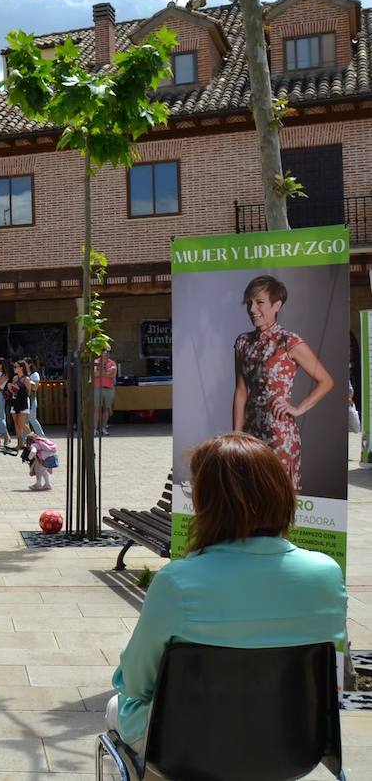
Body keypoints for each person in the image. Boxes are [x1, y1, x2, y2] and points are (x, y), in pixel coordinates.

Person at [106, 432, 346, 768]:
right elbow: (326, 667)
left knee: (117, 707)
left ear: (209, 504)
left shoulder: (178, 581)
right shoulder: (326, 574)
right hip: (294, 744)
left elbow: (135, 681)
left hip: (189, 748)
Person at [232, 275, 334, 491]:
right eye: (249, 302)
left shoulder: (289, 342)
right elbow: (241, 391)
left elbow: (326, 381)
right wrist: (236, 434)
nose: (252, 309)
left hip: (280, 434)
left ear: (277, 305)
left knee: (279, 498)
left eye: (259, 302)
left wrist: (298, 408)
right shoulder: (243, 342)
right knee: (249, 496)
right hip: (250, 433)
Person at [92, 348, 118, 436]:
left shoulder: (112, 363)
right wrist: (107, 373)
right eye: (104, 351)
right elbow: (94, 373)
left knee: (106, 409)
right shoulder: (96, 361)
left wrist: (101, 373)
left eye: (108, 351)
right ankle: (95, 429)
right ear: (101, 352)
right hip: (97, 388)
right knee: (97, 408)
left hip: (109, 388)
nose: (106, 353)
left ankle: (103, 428)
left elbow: (113, 374)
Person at [6, 359, 30, 450]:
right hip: (15, 401)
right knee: (16, 423)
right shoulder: (15, 378)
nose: (14, 368)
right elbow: (14, 393)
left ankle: (35, 440)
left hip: (23, 402)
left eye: (16, 366)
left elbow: (28, 393)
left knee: (21, 423)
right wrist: (11, 388)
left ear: (21, 368)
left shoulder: (26, 379)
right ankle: (20, 443)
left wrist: (18, 389)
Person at [25, 357, 44, 436]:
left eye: (25, 364)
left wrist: (29, 381)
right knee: (25, 421)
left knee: (32, 419)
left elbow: (35, 388)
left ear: (29, 364)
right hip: (24, 399)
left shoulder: (35, 374)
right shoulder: (24, 374)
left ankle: (42, 437)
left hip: (32, 399)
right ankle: (26, 439)